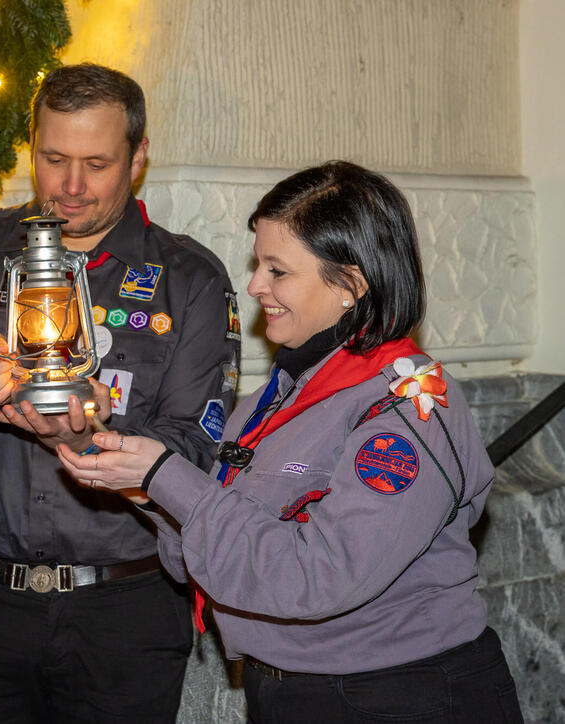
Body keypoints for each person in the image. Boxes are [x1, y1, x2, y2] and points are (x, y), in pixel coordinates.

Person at [57, 161, 524, 723]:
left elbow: (317, 577)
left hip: (394, 696)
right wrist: (149, 492)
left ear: (351, 285)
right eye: (259, 264)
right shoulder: (275, 398)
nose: (256, 285)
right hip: (289, 692)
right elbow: (211, 561)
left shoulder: (407, 407)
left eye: (277, 271)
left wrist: (169, 478)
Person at [0, 63, 240, 722]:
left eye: (97, 164)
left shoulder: (189, 278)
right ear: (32, 147)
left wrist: (91, 440)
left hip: (128, 610)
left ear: (138, 157)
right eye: (54, 160)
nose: (72, 187)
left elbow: (197, 450)